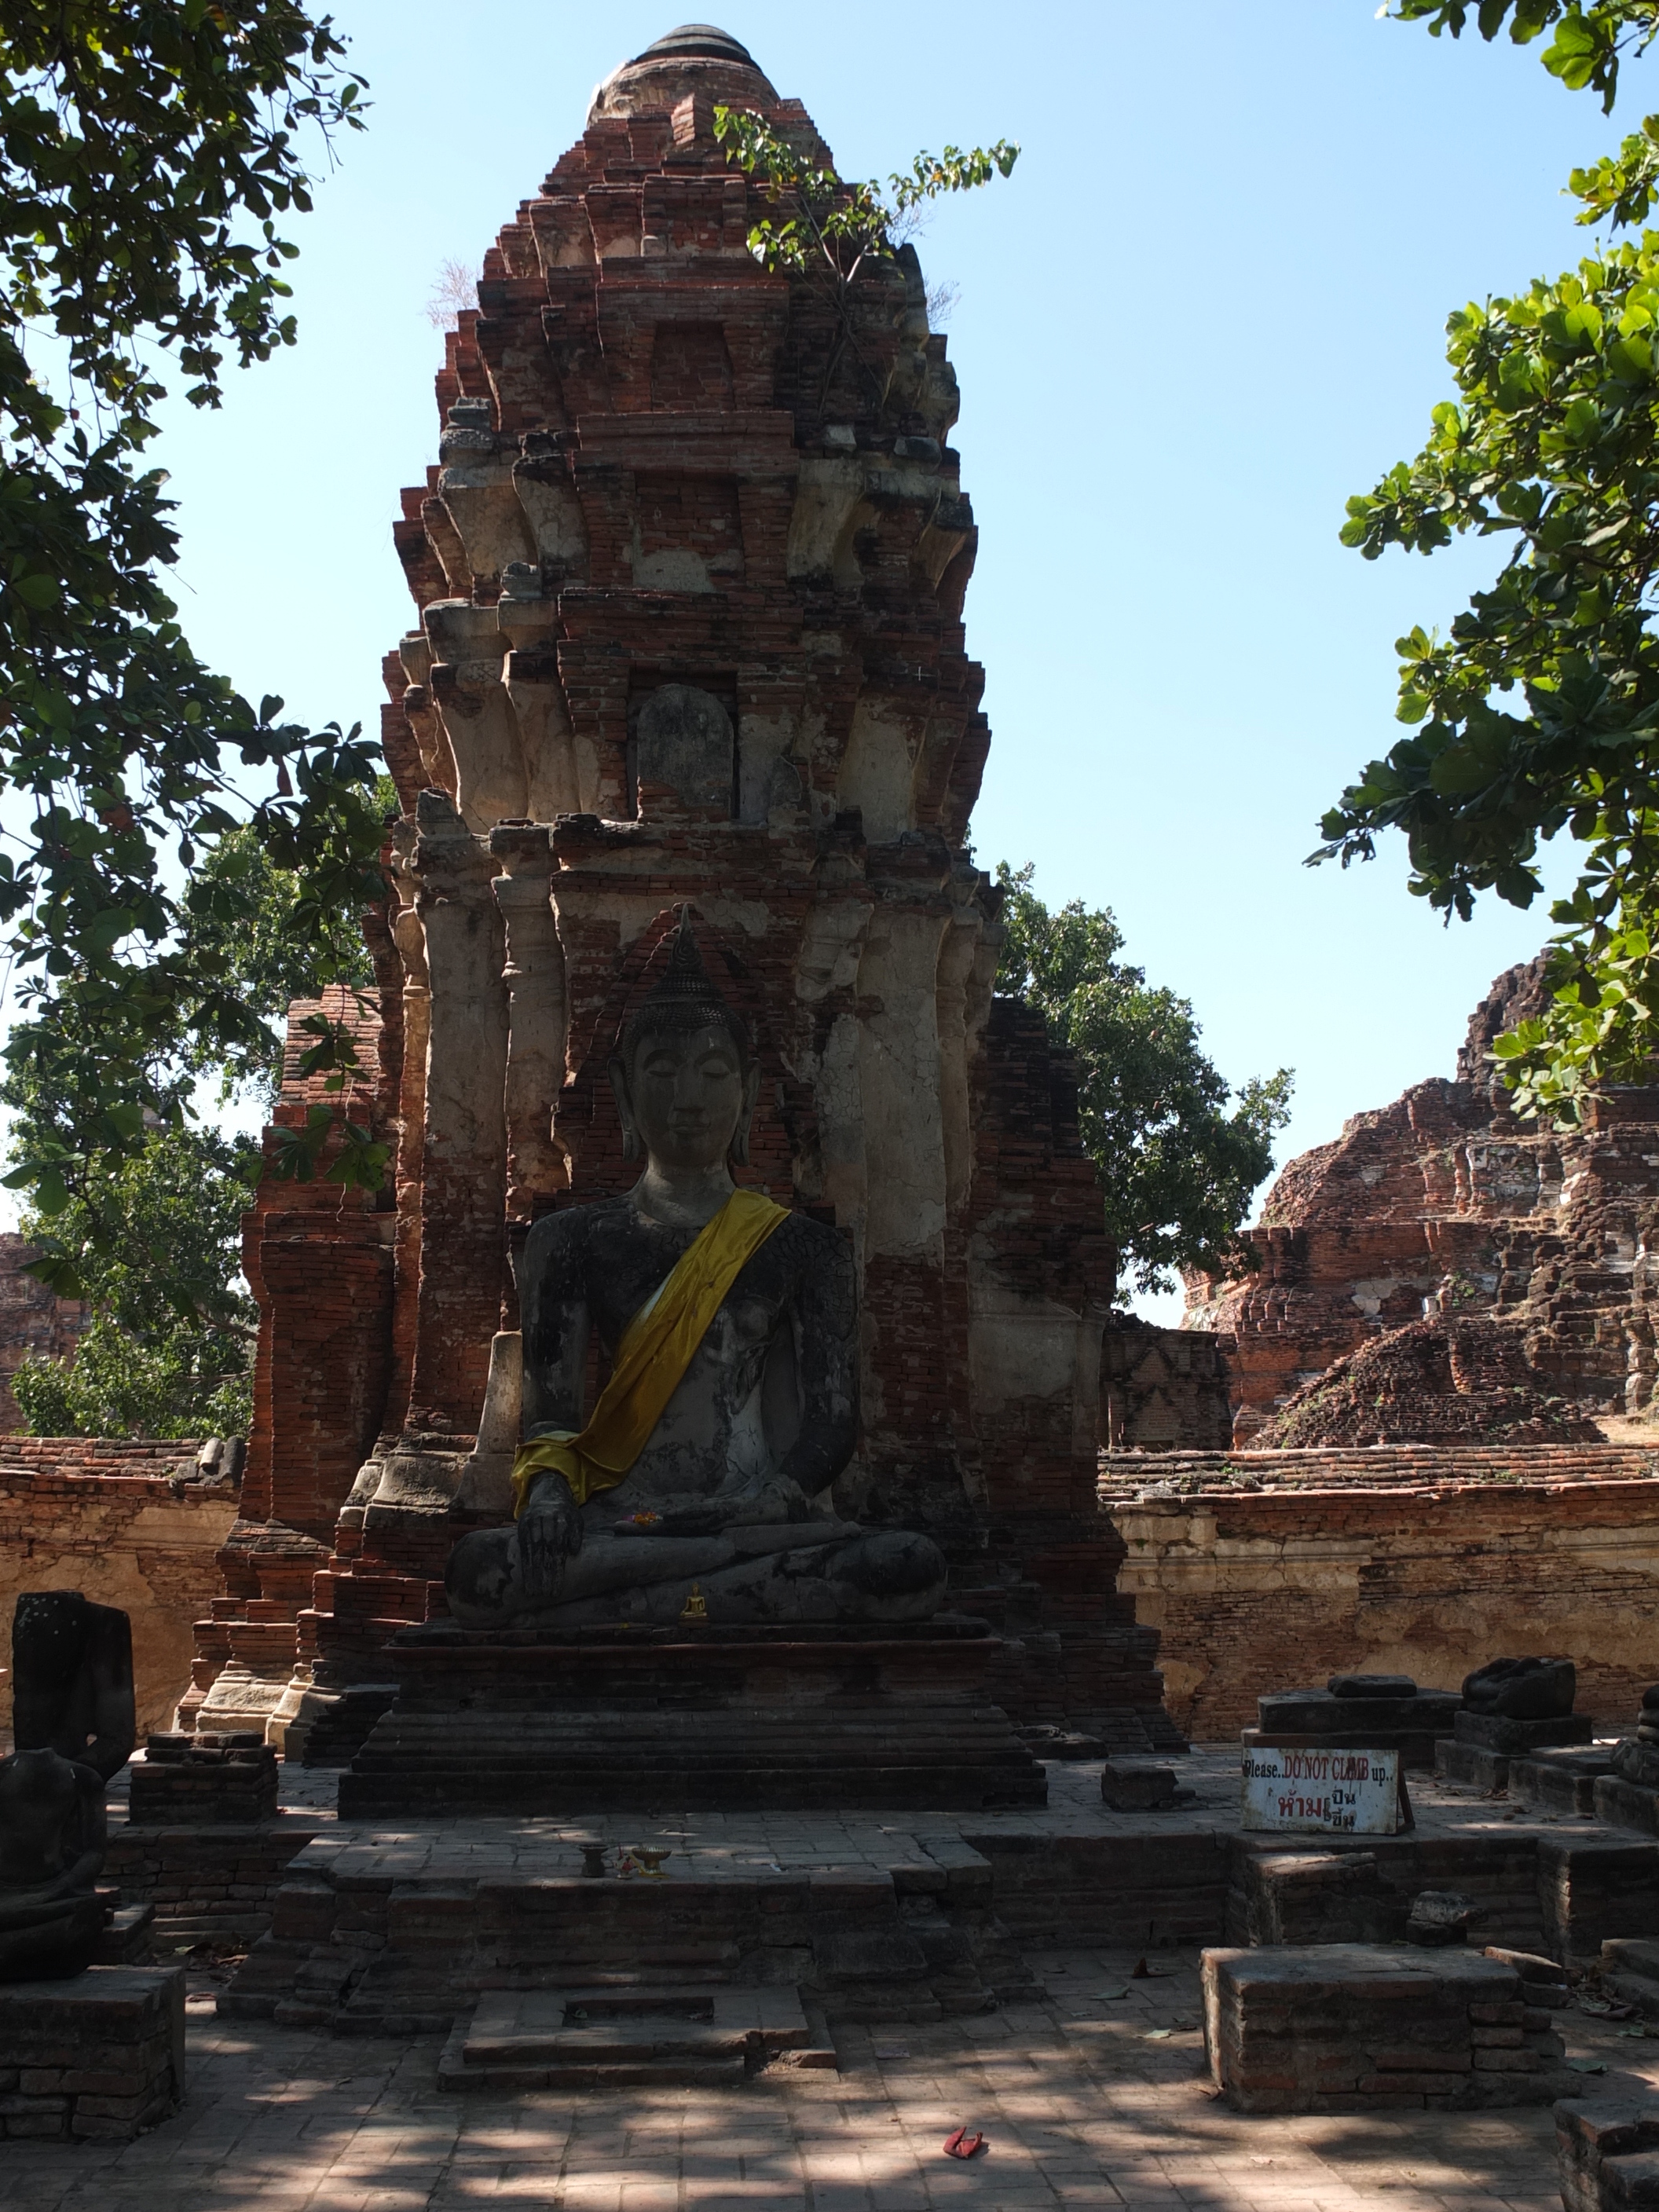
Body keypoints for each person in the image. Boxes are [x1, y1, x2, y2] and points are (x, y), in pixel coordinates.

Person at [445, 914, 947, 1630]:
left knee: (906, 1566)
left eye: (713, 1073)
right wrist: (552, 1499)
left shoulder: (803, 1248)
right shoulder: (568, 1241)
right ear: (622, 1090)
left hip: (752, 1519)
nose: (688, 1097)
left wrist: (769, 1502)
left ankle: (641, 1604)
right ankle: (702, 1596)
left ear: (746, 1088)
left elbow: (831, 1429)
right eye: (662, 1071)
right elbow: (551, 1420)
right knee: (477, 1573)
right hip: (622, 1517)